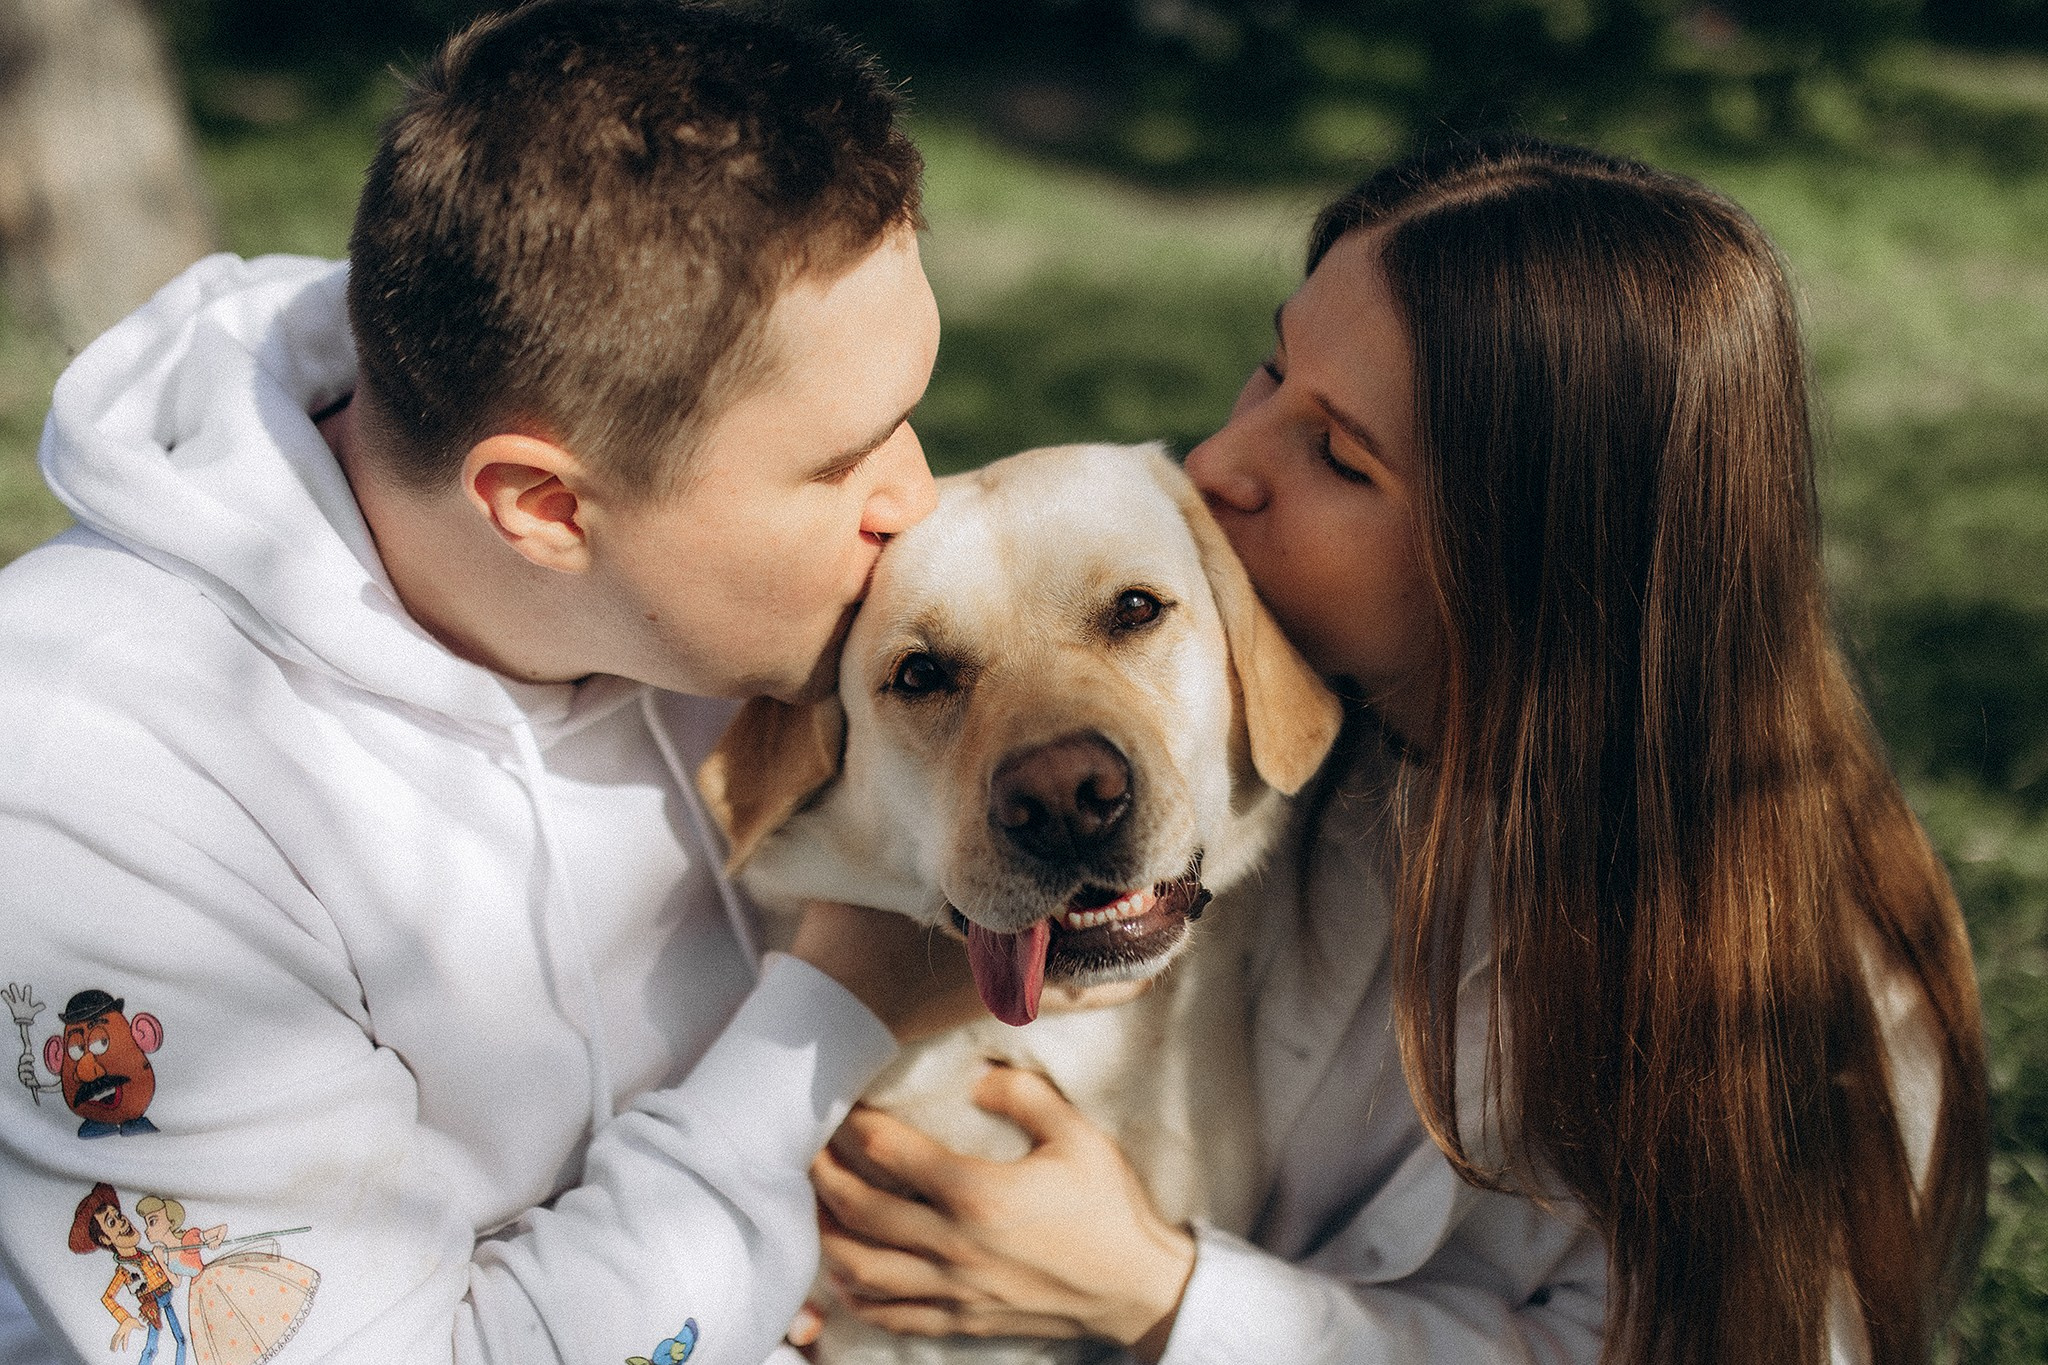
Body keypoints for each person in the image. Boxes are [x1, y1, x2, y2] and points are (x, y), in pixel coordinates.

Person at [807, 137, 1990, 1365]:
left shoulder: (1803, 987)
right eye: (1270, 372)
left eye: (1336, 455)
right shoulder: (1252, 720)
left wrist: (1160, 1299)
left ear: (1527, 558)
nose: (1217, 464)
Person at [0, 3, 982, 1362]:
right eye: (837, 465)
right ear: (541, 507)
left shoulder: (727, 559)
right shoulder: (93, 794)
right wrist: (840, 1008)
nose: (917, 499)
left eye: (909, 411)